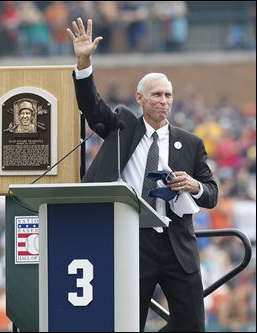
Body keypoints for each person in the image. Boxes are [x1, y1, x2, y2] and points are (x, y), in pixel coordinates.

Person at [67, 18, 218, 332]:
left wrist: (194, 186)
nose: (163, 101)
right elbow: (92, 108)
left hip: (178, 242)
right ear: (140, 99)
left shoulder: (190, 143)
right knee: (125, 323)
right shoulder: (124, 126)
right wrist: (84, 62)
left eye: (167, 95)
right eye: (156, 95)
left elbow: (212, 193)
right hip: (133, 241)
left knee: (192, 325)